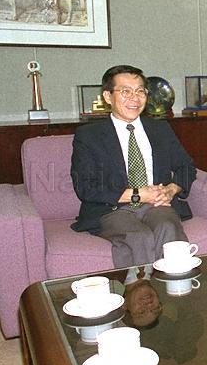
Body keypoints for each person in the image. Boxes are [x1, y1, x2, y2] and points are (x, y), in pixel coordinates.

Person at [71, 65, 197, 267]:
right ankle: (139, 286)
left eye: (140, 91)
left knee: (168, 227)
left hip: (157, 205)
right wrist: (138, 195)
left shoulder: (160, 129)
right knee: (138, 236)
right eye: (125, 91)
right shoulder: (89, 136)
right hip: (112, 209)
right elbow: (85, 186)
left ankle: (175, 284)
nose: (135, 98)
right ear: (108, 96)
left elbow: (186, 166)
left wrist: (171, 190)